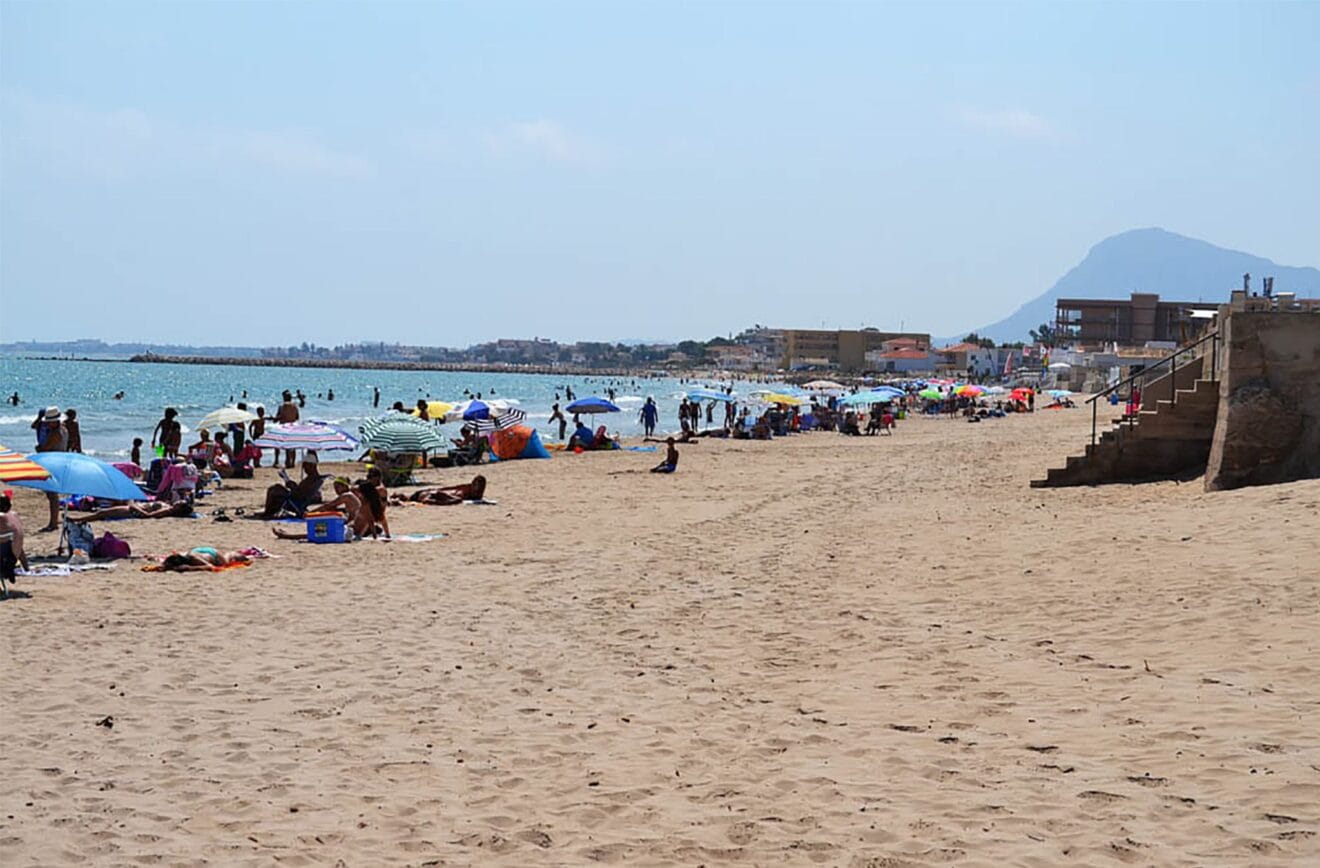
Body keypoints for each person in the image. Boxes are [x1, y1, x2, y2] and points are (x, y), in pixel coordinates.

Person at [271, 477, 369, 539]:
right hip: (354, 527)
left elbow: (328, 505)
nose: (336, 490)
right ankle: (288, 535)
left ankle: (287, 536)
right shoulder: (350, 496)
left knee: (318, 532)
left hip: (353, 528)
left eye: (337, 487)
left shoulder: (347, 496)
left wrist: (311, 514)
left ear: (344, 486)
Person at [32, 406, 67, 531]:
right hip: (58, 461)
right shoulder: (63, 429)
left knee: (52, 495)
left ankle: (53, 523)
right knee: (52, 494)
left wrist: (38, 449)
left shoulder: (55, 433)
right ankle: (54, 521)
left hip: (53, 463)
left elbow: (45, 449)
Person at [258, 455, 325, 518]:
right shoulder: (315, 478)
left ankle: (267, 512)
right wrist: (292, 484)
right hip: (298, 499)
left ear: (312, 465)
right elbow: (302, 490)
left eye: (305, 466)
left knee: (274, 490)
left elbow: (299, 494)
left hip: (296, 501)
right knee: (275, 488)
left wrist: (291, 486)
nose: (304, 468)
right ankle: (269, 511)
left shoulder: (312, 479)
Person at [1, 494, 31, 592]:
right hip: (12, 559)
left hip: (5, 561)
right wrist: (26, 566)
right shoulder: (14, 515)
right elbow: (19, 545)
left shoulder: (2, 518)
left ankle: (6, 571)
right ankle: (8, 572)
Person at [395, 475, 488, 505]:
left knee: (410, 497)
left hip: (428, 493)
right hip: (430, 494)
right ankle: (397, 498)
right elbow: (447, 491)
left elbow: (447, 491)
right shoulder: (464, 490)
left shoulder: (464, 490)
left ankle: (397, 498)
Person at [70, 500, 195, 521]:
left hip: (132, 511)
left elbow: (148, 516)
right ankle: (78, 519)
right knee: (103, 512)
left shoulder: (166, 511)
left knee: (102, 513)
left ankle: (78, 519)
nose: (179, 501)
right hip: (133, 508)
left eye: (181, 503)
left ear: (179, 508)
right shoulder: (167, 507)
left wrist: (135, 506)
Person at [157, 547, 252, 572]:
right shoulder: (179, 557)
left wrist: (189, 568)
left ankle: (233, 553)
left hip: (214, 555)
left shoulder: (193, 559)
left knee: (227, 560)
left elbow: (210, 566)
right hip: (197, 551)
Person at [275, 391, 299, 467]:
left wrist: (274, 419)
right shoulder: (295, 406)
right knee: (292, 445)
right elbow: (297, 417)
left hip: (284, 427)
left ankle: (277, 461)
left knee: (278, 444)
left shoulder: (282, 406)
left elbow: (278, 417)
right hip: (292, 427)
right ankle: (292, 462)